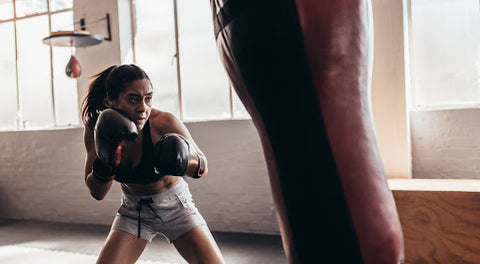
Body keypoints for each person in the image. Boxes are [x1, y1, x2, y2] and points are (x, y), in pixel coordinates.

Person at [81, 64, 225, 264]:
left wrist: (185, 160)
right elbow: (97, 192)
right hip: (134, 211)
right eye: (133, 99)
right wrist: (107, 158)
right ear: (110, 100)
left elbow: (203, 166)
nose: (143, 108)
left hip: (177, 207)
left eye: (148, 98)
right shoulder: (97, 129)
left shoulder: (163, 123)